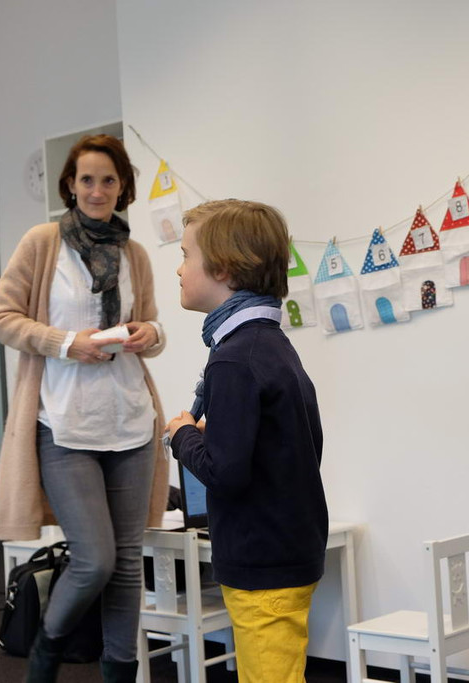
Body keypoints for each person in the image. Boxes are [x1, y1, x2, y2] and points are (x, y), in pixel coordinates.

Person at [0, 134, 170, 682]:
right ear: (70, 184)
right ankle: (43, 657)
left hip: (131, 422)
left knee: (127, 565)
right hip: (64, 424)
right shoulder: (43, 243)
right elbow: (2, 319)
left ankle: (119, 673)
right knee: (95, 559)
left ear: (122, 187)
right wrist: (68, 343)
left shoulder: (135, 253)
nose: (97, 190)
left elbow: (152, 327)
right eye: (87, 179)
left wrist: (150, 333)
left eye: (108, 180)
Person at [165, 199, 329, 683]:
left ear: (224, 269)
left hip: (263, 560)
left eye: (185, 255)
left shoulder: (234, 358)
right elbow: (288, 445)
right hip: (285, 549)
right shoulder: (268, 345)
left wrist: (182, 437)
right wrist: (214, 435)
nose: (178, 269)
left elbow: (226, 473)